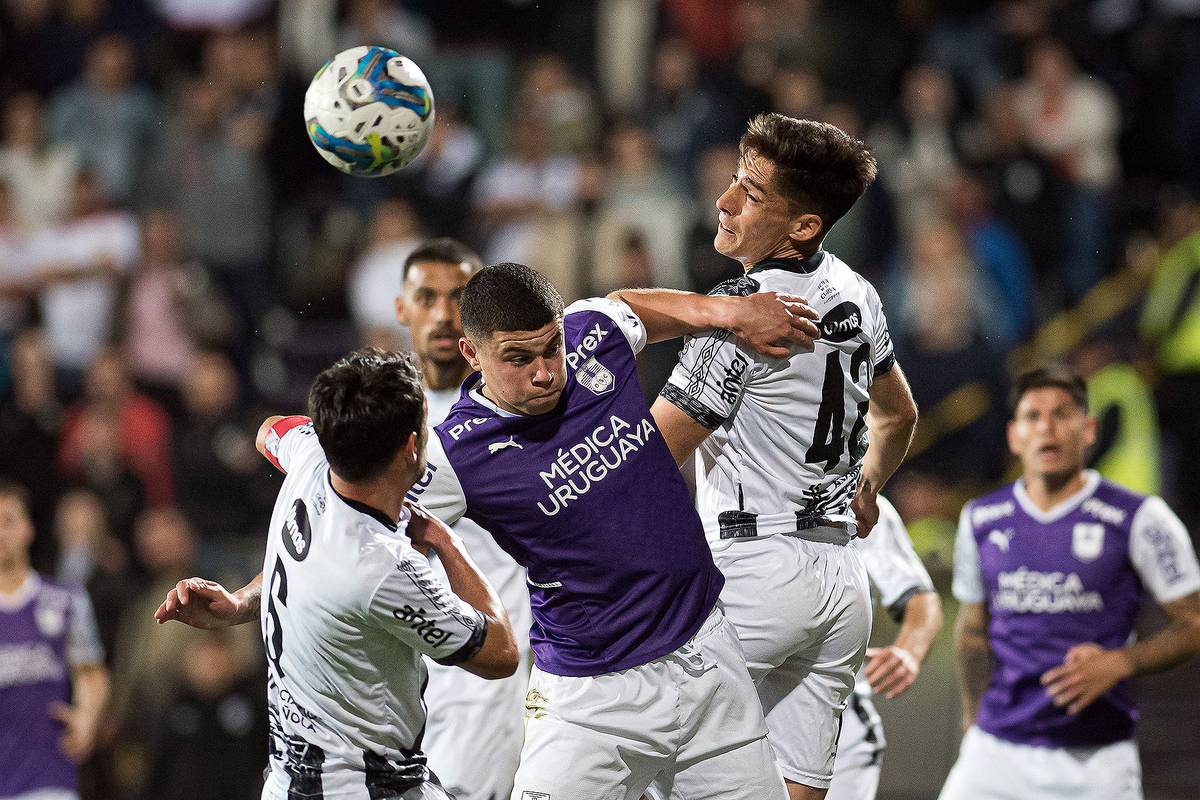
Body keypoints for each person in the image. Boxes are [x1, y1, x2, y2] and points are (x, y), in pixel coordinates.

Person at [158, 262, 817, 798]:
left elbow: (630, 307)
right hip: (595, 695)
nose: (544, 370)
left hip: (709, 657)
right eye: (519, 358)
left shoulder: (591, 336)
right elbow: (337, 529)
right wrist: (245, 603)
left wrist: (729, 313)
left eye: (551, 346)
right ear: (472, 354)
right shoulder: (450, 458)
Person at [618, 112, 919, 800]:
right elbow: (899, 415)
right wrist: (866, 483)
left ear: (802, 226)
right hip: (843, 584)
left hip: (754, 573)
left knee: (624, 751)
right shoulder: (855, 291)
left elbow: (654, 457)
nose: (724, 201)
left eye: (751, 194)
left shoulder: (745, 311)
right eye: (733, 179)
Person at [156, 349, 520, 799]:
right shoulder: (384, 568)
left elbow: (269, 430)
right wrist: (450, 545)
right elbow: (501, 653)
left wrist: (242, 604)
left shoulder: (312, 460)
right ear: (411, 447)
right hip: (363, 786)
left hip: (293, 779)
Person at [940, 366, 1200, 800]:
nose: (1048, 428)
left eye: (1062, 414)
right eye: (1033, 416)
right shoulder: (980, 519)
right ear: (1014, 435)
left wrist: (1122, 662)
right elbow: (971, 634)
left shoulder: (1140, 518)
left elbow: (1193, 623)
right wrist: (972, 719)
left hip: (1097, 761)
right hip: (997, 754)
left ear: (1089, 429)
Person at [395, 237, 534, 800]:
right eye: (427, 298)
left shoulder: (520, 407)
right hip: (421, 668)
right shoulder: (387, 420)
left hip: (503, 662)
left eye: (460, 298)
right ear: (401, 308)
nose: (444, 315)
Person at [0, 480, 110, 800]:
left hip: (48, 775)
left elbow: (90, 671)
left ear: (28, 529)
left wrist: (87, 718)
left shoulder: (64, 601)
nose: (1, 534)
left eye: (9, 521)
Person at [828, 495, 942, 800]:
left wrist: (908, 651)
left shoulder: (853, 497)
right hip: (730, 717)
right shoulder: (713, 486)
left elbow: (920, 599)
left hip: (837, 726)